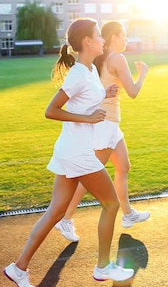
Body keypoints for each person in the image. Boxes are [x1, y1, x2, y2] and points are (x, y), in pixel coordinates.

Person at [3, 18, 134, 287]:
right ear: (87, 42)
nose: (102, 40)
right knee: (111, 205)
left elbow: (83, 99)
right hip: (77, 153)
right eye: (98, 36)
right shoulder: (77, 73)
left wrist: (104, 95)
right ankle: (103, 266)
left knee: (56, 211)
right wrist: (87, 119)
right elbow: (51, 110)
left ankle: (18, 267)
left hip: (71, 150)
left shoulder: (87, 71)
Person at [54, 21, 149, 243]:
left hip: (110, 124)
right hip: (105, 124)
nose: (126, 39)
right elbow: (133, 92)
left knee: (123, 165)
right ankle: (65, 219)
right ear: (114, 37)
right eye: (124, 34)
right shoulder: (117, 58)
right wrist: (142, 73)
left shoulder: (102, 59)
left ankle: (127, 214)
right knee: (90, 177)